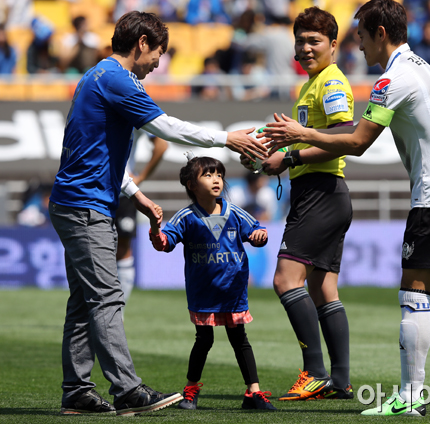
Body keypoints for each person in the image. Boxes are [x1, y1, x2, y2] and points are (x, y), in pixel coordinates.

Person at [262, 0, 430, 416]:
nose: (358, 44)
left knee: (413, 296)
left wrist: (298, 135)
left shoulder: (391, 79)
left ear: (380, 33)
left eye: (361, 35)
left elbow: (358, 142)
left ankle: (410, 396)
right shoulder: (424, 66)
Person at [48, 10, 266, 417]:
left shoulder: (93, 77)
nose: (157, 64)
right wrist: (226, 139)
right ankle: (128, 390)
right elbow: (166, 128)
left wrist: (136, 194)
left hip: (78, 200)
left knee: (84, 302)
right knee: (108, 296)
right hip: (85, 206)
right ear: (142, 43)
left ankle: (77, 391)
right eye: (157, 54)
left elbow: (92, 152)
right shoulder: (117, 79)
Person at [249, 6, 355, 402]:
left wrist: (290, 156)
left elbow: (345, 131)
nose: (307, 48)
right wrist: (276, 143)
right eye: (301, 41)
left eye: (315, 41)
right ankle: (340, 381)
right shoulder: (310, 84)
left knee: (284, 281)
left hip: (321, 193)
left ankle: (314, 372)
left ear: (332, 44)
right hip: (326, 193)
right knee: (323, 288)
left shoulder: (330, 82)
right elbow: (312, 136)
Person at [148, 156, 276, 411]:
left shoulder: (234, 211)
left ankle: (254, 393)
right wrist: (155, 226)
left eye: (218, 174)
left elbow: (256, 231)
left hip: (233, 291)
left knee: (240, 340)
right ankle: (191, 390)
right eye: (207, 175)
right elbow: (164, 244)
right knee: (204, 340)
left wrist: (258, 236)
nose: (216, 179)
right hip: (203, 293)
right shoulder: (186, 217)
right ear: (190, 184)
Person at [116, 130, 168, 318]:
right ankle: (103, 314)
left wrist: (140, 177)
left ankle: (117, 314)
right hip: (95, 191)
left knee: (122, 250)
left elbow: (162, 145)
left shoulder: (133, 105)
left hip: (121, 193)